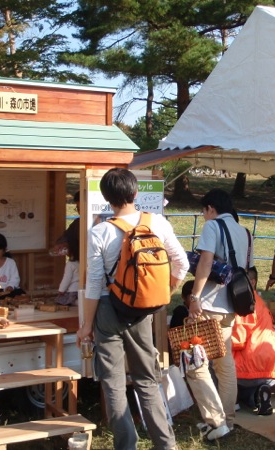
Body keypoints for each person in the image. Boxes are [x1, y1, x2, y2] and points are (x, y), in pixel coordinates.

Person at [76, 168, 188, 450]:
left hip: (107, 310)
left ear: (106, 198)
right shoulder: (157, 223)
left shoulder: (99, 231)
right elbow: (182, 263)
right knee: (147, 381)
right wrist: (164, 292)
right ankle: (166, 444)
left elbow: (94, 283)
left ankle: (126, 445)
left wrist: (86, 326)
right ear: (136, 193)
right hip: (141, 312)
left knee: (113, 384)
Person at [187, 188, 252, 441]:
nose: (204, 216)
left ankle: (215, 421)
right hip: (231, 307)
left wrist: (194, 297)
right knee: (225, 366)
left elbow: (205, 262)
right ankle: (228, 420)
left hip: (209, 305)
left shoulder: (212, 226)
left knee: (196, 363)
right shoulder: (244, 232)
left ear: (211, 208)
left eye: (204, 211)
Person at [232, 267, 275, 415]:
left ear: (251, 282)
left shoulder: (244, 301)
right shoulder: (259, 301)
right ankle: (258, 395)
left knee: (215, 360)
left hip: (249, 366)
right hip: (271, 366)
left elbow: (238, 339)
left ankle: (233, 401)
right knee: (249, 391)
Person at [52, 191, 81, 259]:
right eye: (78, 209)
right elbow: (66, 237)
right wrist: (62, 244)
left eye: (81, 208)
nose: (79, 212)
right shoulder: (77, 223)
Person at [55, 241, 79, 306]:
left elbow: (67, 278)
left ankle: (76, 302)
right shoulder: (81, 263)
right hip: (81, 289)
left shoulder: (70, 264)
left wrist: (61, 290)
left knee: (59, 300)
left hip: (72, 290)